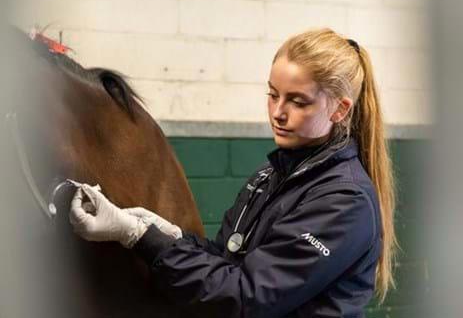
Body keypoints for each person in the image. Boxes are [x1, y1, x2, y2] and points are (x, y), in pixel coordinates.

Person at [70, 28, 397, 318]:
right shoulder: (272, 174)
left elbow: (245, 296)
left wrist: (140, 237)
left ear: (340, 109)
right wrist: (165, 233)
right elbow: (228, 260)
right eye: (273, 94)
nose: (278, 112)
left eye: (298, 101)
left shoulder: (344, 200)